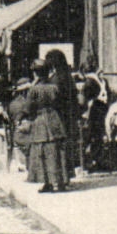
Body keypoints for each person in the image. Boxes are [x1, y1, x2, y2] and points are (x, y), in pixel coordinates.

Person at [26, 63, 70, 193]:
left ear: (36, 74)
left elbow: (28, 108)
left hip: (40, 121)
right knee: (57, 150)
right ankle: (60, 182)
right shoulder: (55, 88)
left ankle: (47, 182)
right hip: (55, 119)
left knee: (42, 152)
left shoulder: (33, 89)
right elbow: (62, 104)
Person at [44, 49, 80, 179]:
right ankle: (68, 174)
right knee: (67, 145)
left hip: (58, 116)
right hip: (69, 116)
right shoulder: (68, 77)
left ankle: (61, 177)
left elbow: (53, 99)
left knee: (58, 147)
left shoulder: (55, 79)